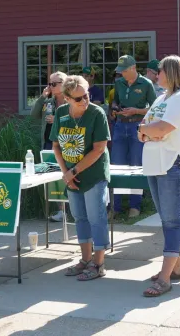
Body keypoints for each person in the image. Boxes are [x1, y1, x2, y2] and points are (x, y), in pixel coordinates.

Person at [138, 56, 180, 297]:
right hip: (155, 163)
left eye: (160, 71)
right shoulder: (162, 97)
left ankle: (164, 278)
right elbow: (144, 127)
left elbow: (162, 129)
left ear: (172, 72)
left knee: (172, 221)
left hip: (174, 162)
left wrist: (151, 131)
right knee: (165, 219)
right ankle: (176, 268)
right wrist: (148, 131)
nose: (156, 75)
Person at [51, 75, 111, 281]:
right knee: (80, 218)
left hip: (92, 175)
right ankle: (85, 260)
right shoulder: (61, 113)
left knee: (97, 218)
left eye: (86, 96)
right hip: (72, 177)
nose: (85, 101)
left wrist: (73, 172)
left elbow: (99, 149)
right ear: (66, 98)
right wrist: (65, 172)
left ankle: (99, 263)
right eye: (78, 99)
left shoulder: (97, 113)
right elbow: (56, 146)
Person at [110, 55, 156, 218]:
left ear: (133, 68)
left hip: (138, 126)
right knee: (118, 165)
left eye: (124, 71)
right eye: (120, 71)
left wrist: (136, 111)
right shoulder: (119, 82)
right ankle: (115, 207)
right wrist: (116, 108)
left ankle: (134, 205)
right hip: (120, 126)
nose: (121, 74)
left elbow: (154, 108)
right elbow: (114, 101)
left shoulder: (146, 84)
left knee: (136, 166)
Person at [31, 71, 69, 222]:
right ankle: (61, 211)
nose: (50, 87)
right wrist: (42, 97)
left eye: (54, 84)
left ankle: (74, 208)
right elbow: (34, 115)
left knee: (68, 174)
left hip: (67, 143)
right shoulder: (48, 101)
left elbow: (78, 118)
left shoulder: (71, 100)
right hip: (49, 143)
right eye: (49, 84)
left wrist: (58, 120)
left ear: (63, 83)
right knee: (54, 177)